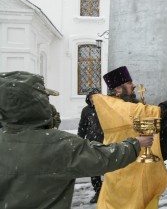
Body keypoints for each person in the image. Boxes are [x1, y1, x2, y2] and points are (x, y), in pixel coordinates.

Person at [0, 71, 154, 209]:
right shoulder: (60, 145)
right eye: (45, 99)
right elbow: (104, 158)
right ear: (37, 103)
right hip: (103, 146)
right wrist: (136, 144)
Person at [93, 66, 167, 209]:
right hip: (129, 174)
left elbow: (150, 119)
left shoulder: (112, 106)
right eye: (129, 83)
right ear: (117, 89)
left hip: (119, 170)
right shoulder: (122, 108)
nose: (133, 85)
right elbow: (161, 113)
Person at [78, 88, 104, 203]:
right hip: (92, 143)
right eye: (91, 97)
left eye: (95, 96)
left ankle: (110, 191)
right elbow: (82, 127)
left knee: (110, 168)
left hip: (106, 142)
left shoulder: (106, 109)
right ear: (88, 98)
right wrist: (80, 141)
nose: (93, 99)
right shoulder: (86, 111)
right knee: (94, 169)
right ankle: (98, 191)